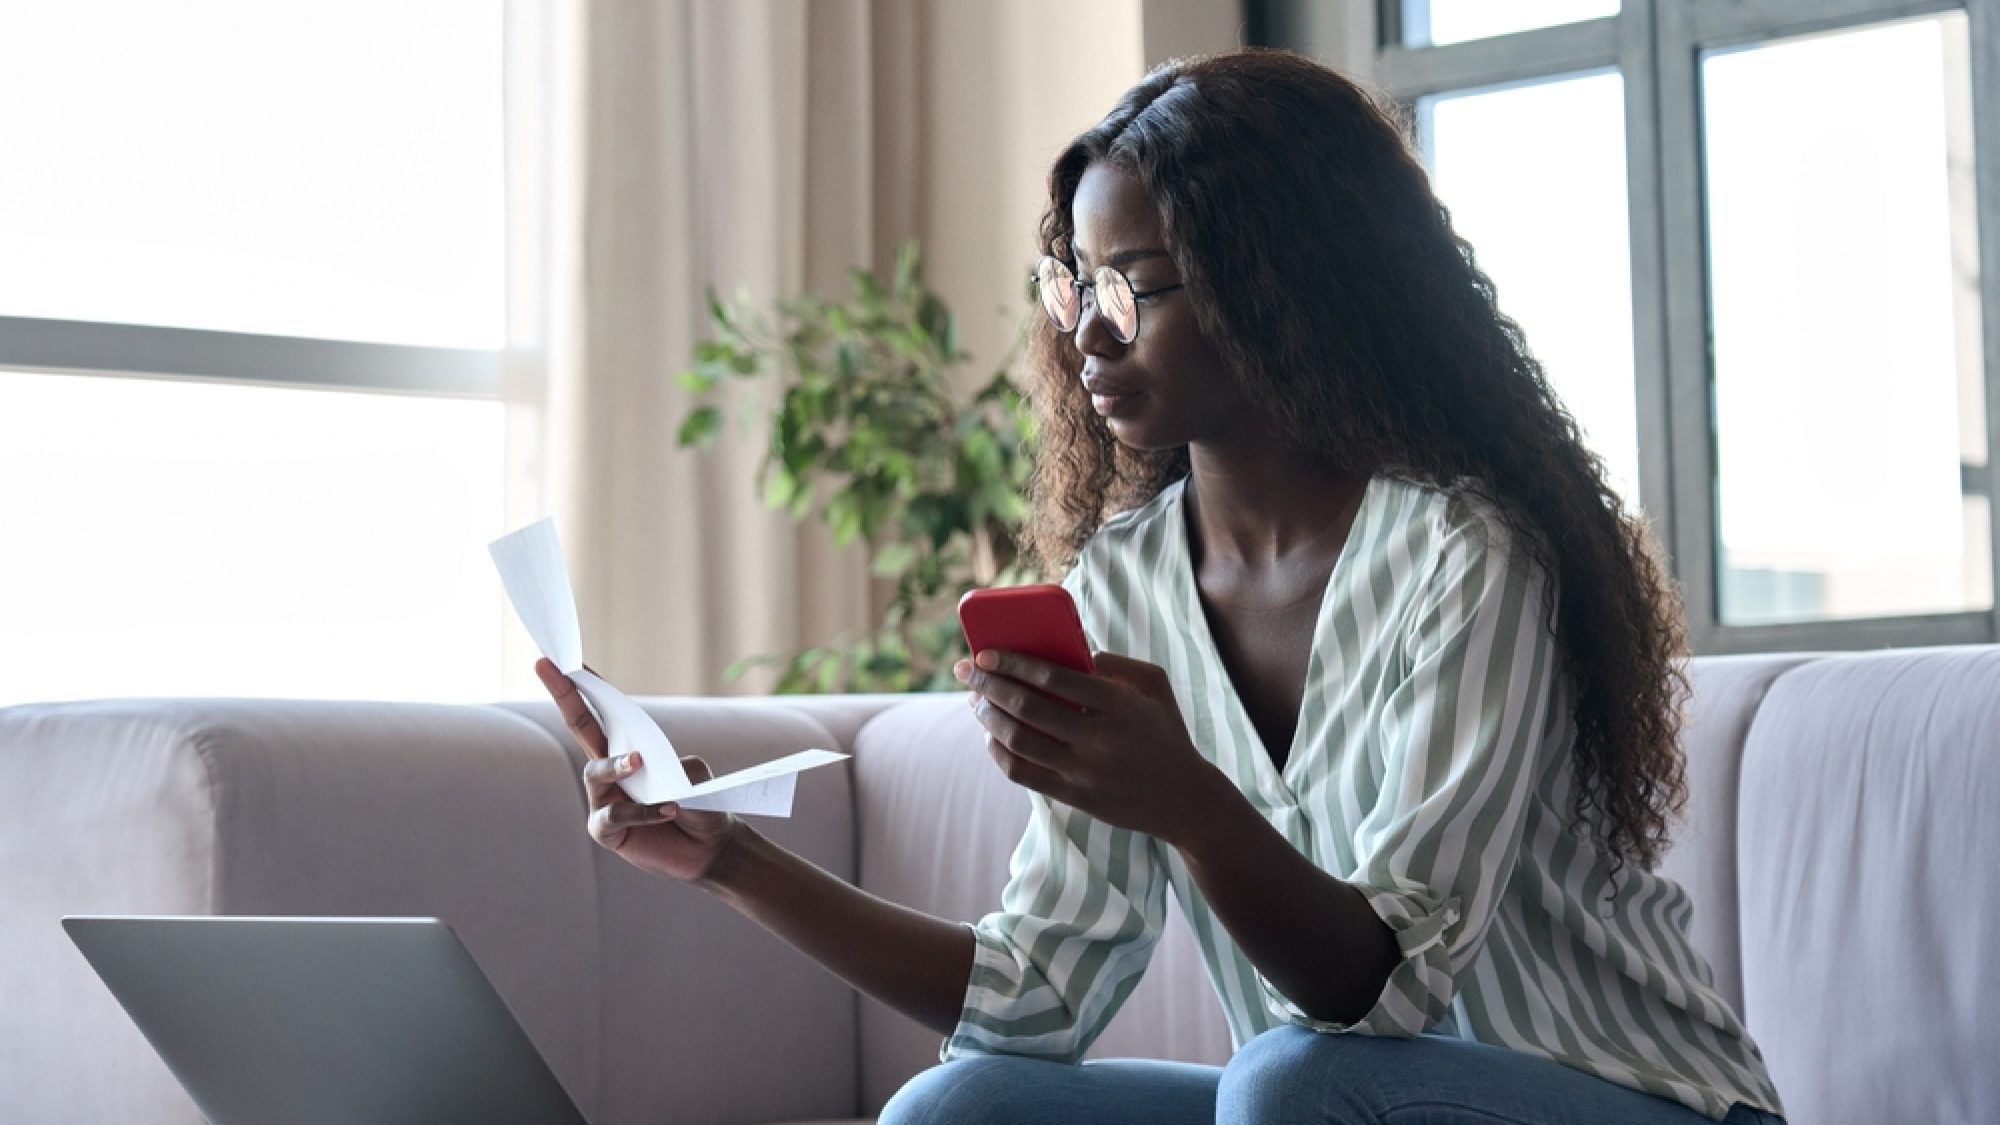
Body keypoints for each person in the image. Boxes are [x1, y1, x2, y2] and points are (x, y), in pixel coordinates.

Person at [537, 48, 1787, 1125]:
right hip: (1328, 1102)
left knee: (1293, 1084)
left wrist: (1187, 801)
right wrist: (731, 862)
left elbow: (1392, 990)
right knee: (959, 1104)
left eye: (1131, 284)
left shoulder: (1466, 554)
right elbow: (1034, 995)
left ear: (1280, 286)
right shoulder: (1126, 583)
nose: (1084, 329)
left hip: (1630, 1100)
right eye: (1073, 282)